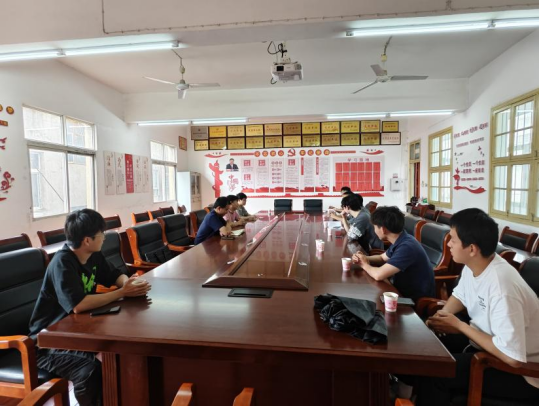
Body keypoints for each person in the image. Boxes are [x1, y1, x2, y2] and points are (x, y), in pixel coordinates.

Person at [412, 208, 539, 405]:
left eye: (453, 239)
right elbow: (460, 296)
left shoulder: (502, 287)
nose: (448, 243)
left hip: (522, 374)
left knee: (438, 372)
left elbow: (512, 357)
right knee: (427, 344)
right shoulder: (477, 265)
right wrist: (439, 318)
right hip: (486, 347)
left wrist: (460, 326)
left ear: (472, 249)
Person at [28, 209, 152, 406]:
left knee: (118, 358)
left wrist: (128, 283)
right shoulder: (63, 263)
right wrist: (122, 293)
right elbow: (78, 305)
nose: (104, 237)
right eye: (101, 234)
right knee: (89, 370)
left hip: (75, 332)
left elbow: (114, 275)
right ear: (87, 240)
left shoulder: (93, 255)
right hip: (45, 344)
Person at [352, 206, 435, 302]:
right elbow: (382, 258)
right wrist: (365, 258)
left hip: (412, 300)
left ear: (383, 229)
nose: (374, 230)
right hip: (398, 290)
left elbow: (378, 275)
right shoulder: (402, 238)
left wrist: (363, 264)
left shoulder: (407, 247)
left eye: (374, 227)